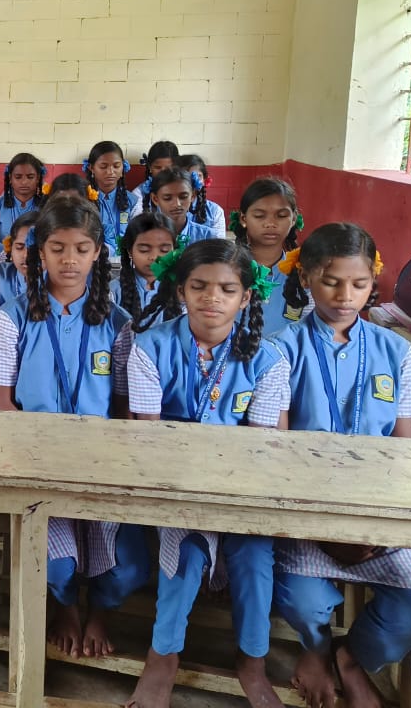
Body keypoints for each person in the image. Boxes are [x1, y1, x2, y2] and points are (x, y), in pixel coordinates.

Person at [272, 224, 411, 708]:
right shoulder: (281, 349)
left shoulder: (397, 352)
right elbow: (274, 455)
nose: (346, 296)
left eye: (359, 284)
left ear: (373, 282)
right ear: (305, 277)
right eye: (331, 282)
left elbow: (404, 453)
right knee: (304, 604)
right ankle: (316, 647)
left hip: (375, 516)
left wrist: (374, 528)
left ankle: (349, 658)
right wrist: (327, 531)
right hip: (306, 515)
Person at [125, 239, 288, 708]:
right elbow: (149, 439)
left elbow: (261, 449)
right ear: (180, 290)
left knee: (254, 556)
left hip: (242, 490)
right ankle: (162, 656)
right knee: (185, 550)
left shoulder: (269, 359)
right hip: (174, 485)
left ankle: (253, 660)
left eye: (227, 289)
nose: (211, 298)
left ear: (246, 297)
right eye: (198, 286)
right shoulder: (149, 347)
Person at [0, 196, 147, 658]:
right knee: (55, 565)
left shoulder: (117, 322)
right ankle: (65, 607)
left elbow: (123, 407)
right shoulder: (13, 315)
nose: (69, 260)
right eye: (57, 248)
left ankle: (100, 608)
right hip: (36, 459)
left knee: (131, 567)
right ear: (40, 252)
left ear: (97, 252)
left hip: (99, 464)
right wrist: (31, 457)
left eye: (81, 248)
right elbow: (2, 401)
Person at [231, 176, 306, 336]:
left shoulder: (304, 274)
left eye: (281, 215)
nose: (271, 223)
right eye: (259, 216)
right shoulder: (226, 269)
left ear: (293, 219)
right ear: (243, 219)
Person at [111, 212, 177, 323]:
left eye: (164, 250)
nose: (154, 257)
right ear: (130, 251)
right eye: (144, 250)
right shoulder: (113, 292)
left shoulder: (181, 291)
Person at [0, 211, 38, 331]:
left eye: (34, 248)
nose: (26, 255)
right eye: (19, 247)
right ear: (10, 249)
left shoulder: (58, 282)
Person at [83, 141, 136, 266]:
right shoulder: (83, 199)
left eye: (116, 166)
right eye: (103, 167)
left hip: (125, 265)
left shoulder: (133, 201)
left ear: (123, 167)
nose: (110, 171)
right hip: (91, 263)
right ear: (91, 168)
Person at [140, 168, 224, 242]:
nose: (177, 204)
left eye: (183, 197)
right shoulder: (143, 235)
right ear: (155, 199)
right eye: (167, 198)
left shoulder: (207, 236)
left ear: (192, 196)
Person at [0, 152, 46, 241]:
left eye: (30, 177)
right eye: (18, 177)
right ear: (10, 178)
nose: (24, 182)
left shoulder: (47, 207)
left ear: (38, 178)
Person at [178, 153, 225, 230]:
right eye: (186, 176)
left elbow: (218, 238)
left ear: (204, 180)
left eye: (198, 176)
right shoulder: (165, 209)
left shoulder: (215, 211)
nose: (193, 180)